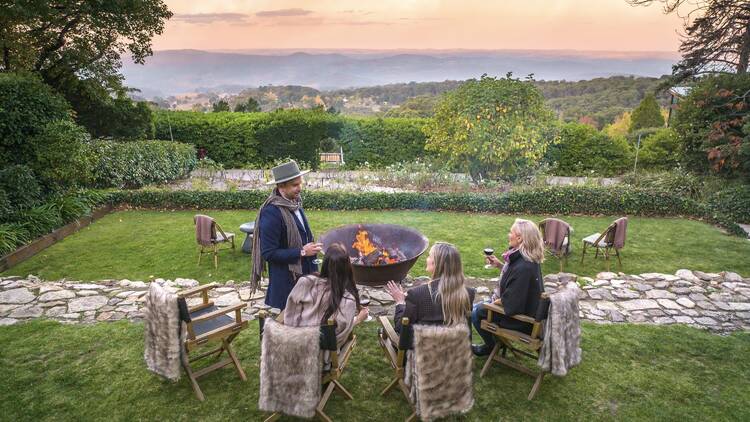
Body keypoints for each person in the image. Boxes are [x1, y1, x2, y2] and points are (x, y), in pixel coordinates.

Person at [250, 160, 322, 310]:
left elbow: (302, 235)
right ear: (281, 186)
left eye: (300, 183)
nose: (300, 188)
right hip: (288, 283)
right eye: (295, 185)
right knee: (291, 329)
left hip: (305, 277)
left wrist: (312, 250)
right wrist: (302, 251)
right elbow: (268, 253)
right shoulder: (271, 213)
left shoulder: (294, 203)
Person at [471, 218, 545, 356]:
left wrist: (490, 304)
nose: (508, 235)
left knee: (476, 312)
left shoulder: (523, 267)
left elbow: (510, 303)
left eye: (511, 232)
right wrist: (500, 265)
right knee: (476, 308)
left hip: (520, 320)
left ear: (520, 238)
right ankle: (494, 344)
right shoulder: (525, 258)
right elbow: (515, 281)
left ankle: (491, 346)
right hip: (526, 310)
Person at [284, 243, 369, 345]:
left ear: (325, 262)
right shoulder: (347, 300)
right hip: (317, 355)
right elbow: (338, 339)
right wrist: (358, 319)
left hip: (293, 344)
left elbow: (290, 313)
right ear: (347, 267)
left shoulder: (304, 282)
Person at [384, 242, 475, 337]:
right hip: (454, 350)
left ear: (437, 264)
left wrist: (400, 302)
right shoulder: (469, 293)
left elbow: (400, 328)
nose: (427, 259)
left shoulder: (417, 294)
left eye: (429, 256)